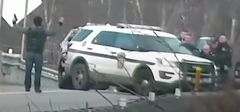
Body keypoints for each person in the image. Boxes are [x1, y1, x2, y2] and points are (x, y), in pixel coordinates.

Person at [12, 15, 64, 93]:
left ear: (34, 22)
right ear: (41, 22)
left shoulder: (29, 30)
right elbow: (53, 32)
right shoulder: (43, 31)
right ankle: (37, 88)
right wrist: (60, 23)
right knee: (38, 72)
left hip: (29, 53)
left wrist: (14, 22)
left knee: (28, 71)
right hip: (38, 54)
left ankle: (27, 87)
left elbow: (19, 29)